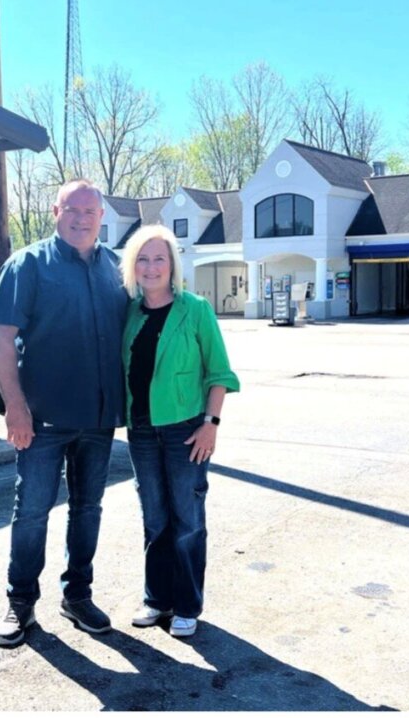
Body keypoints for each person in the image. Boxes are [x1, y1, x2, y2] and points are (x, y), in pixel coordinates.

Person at [0, 178, 128, 648]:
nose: (82, 217)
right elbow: (1, 338)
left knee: (87, 510)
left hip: (99, 419)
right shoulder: (27, 265)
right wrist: (15, 409)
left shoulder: (115, 268)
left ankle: (78, 596)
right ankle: (21, 603)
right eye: (73, 208)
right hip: (42, 419)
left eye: (91, 210)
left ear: (102, 216)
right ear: (55, 211)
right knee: (31, 513)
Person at [119, 224, 240, 638]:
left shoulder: (196, 309)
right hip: (141, 431)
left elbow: (219, 372)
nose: (151, 267)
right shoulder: (130, 312)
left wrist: (211, 424)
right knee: (154, 518)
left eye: (159, 258)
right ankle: (158, 600)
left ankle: (187, 605)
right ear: (132, 266)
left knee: (187, 519)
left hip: (185, 431)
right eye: (143, 258)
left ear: (172, 265)